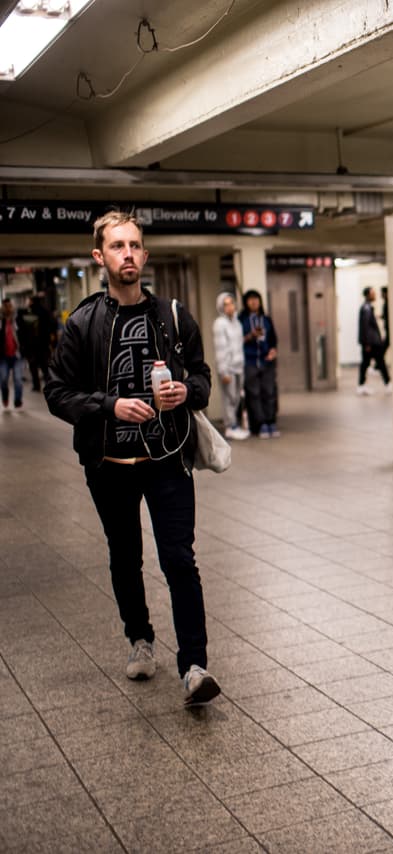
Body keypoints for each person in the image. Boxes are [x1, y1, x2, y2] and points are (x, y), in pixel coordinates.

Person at [44, 210, 220, 706]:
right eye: (118, 246)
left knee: (179, 559)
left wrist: (187, 391)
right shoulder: (83, 323)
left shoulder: (174, 316)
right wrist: (109, 406)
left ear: (145, 254)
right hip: (110, 467)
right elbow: (57, 393)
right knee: (125, 557)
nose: (128, 254)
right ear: (99, 256)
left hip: (167, 460)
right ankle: (139, 638)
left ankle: (194, 666)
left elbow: (203, 379)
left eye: (135, 245)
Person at [239, 289, 280, 437]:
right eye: (250, 299)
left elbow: (273, 340)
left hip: (266, 361)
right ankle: (260, 424)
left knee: (269, 392)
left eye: (256, 299)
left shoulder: (267, 320)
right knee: (254, 394)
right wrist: (251, 336)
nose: (254, 302)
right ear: (246, 302)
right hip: (249, 361)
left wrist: (273, 350)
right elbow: (237, 341)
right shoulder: (241, 320)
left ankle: (270, 421)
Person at [212, 291, 249, 439]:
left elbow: (238, 345)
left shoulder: (237, 323)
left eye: (231, 303)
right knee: (229, 398)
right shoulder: (220, 324)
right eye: (225, 304)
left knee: (236, 399)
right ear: (221, 307)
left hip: (239, 366)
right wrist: (223, 371)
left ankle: (235, 424)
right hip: (227, 368)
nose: (229, 307)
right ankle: (230, 426)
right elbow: (221, 349)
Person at [18, 288, 54, 393]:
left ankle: (36, 385)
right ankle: (50, 385)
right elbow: (51, 327)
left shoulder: (28, 314)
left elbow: (23, 329)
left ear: (32, 302)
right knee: (45, 366)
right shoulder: (45, 312)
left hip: (32, 345)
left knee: (33, 366)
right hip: (44, 344)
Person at [356, 285, 390, 394]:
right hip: (372, 342)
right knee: (379, 362)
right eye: (372, 293)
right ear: (367, 295)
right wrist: (367, 343)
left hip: (371, 342)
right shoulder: (366, 308)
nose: (375, 295)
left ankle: (362, 385)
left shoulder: (368, 307)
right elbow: (365, 326)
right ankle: (387, 383)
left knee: (366, 363)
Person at [1, 298, 24, 410]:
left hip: (17, 355)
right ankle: (5, 397)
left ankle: (18, 400)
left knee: (18, 379)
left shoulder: (18, 319)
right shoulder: (1, 321)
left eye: (10, 306)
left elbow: (24, 334)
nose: (8, 308)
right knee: (3, 379)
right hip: (3, 356)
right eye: (5, 307)